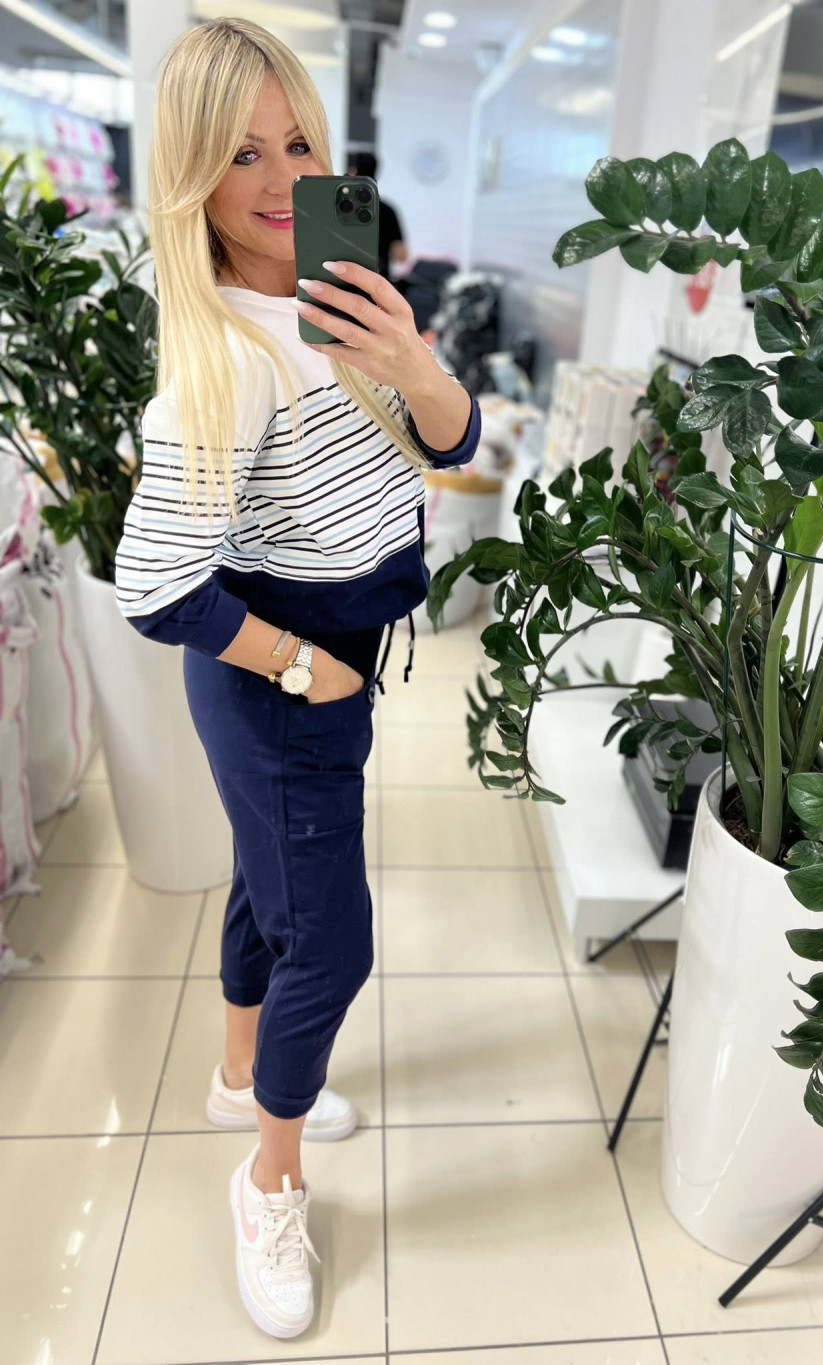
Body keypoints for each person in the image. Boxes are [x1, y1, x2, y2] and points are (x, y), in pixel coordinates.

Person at [113, 18, 480, 1342]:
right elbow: (153, 582)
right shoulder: (221, 356)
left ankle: (236, 1075)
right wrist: (301, 666)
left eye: (299, 142)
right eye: (242, 154)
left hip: (332, 663)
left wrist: (413, 362)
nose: (282, 179)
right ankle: (267, 1181)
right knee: (330, 939)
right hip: (282, 684)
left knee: (266, 885)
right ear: (190, 176)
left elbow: (453, 442)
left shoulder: (339, 294)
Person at [347, 150, 408, 283]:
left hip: (345, 278)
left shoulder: (341, 209)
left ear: (352, 172)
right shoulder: (388, 211)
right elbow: (401, 255)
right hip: (378, 281)